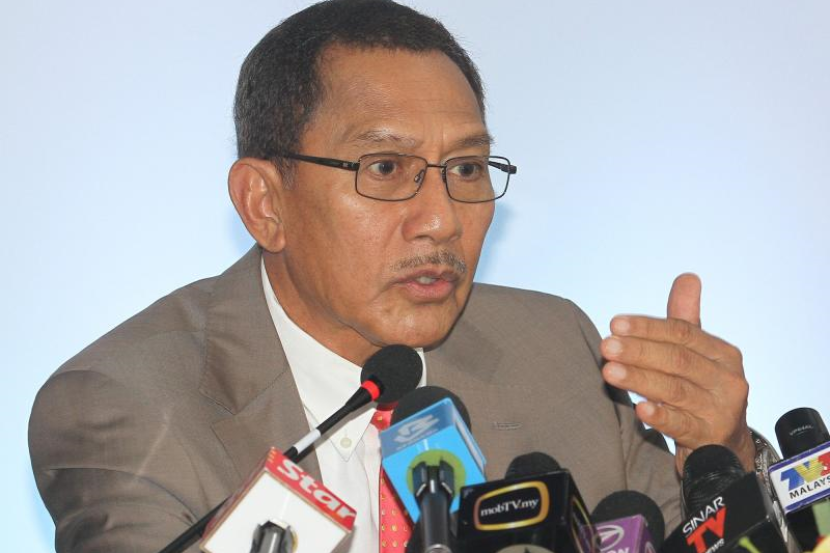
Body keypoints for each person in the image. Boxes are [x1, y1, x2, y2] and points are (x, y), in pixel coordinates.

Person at [28, 1, 762, 552]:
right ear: (265, 204)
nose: (441, 219)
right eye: (385, 168)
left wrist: (719, 455)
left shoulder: (553, 348)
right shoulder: (123, 407)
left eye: (466, 168)